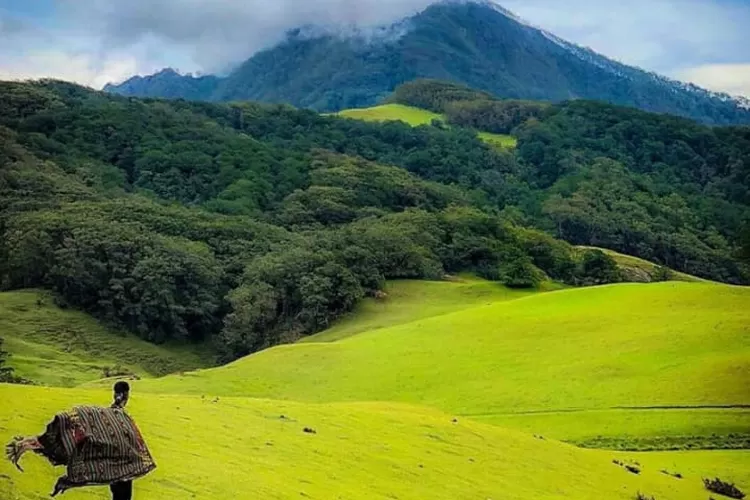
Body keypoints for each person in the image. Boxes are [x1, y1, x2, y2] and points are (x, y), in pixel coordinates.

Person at [5, 381, 155, 499]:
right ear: (127, 395)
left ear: (116, 394)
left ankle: (70, 479)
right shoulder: (123, 418)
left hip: (115, 466)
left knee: (119, 493)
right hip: (123, 467)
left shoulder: (110, 415)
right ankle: (71, 479)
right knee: (122, 495)